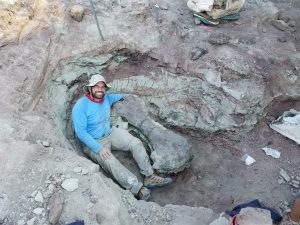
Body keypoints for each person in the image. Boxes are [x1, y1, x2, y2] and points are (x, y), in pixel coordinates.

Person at [72, 74, 172, 201]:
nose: (100, 89)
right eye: (96, 86)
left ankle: (149, 176)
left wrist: (132, 97)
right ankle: (137, 188)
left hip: (110, 133)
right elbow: (80, 132)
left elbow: (123, 96)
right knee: (111, 161)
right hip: (94, 142)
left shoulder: (107, 98)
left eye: (103, 87)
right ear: (90, 88)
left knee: (135, 142)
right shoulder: (81, 106)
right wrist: (99, 149)